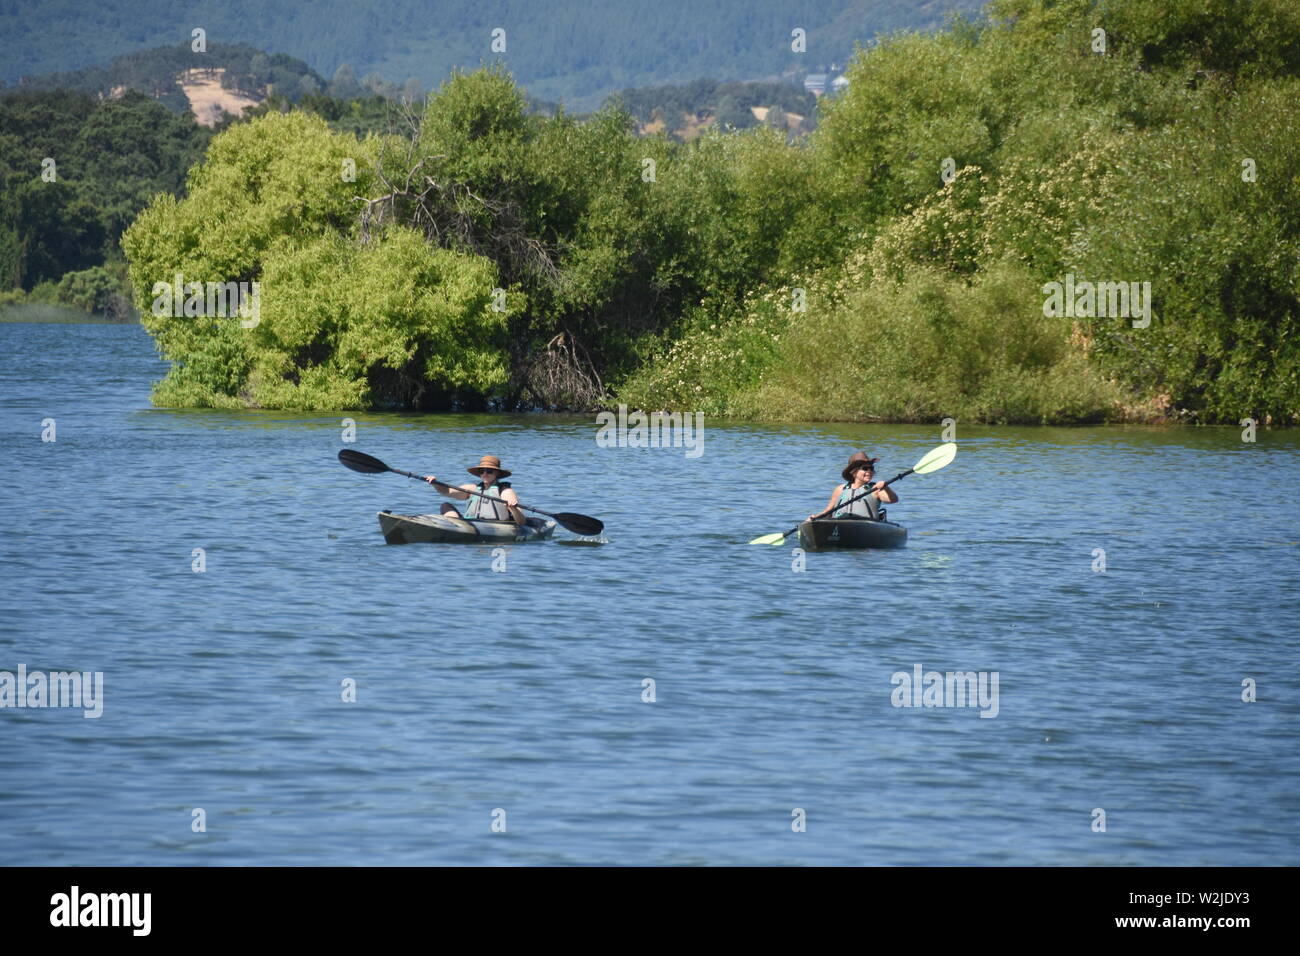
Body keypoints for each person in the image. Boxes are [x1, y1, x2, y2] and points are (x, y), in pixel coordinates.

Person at [424, 455, 525, 528]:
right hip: (470, 524)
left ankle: (454, 528)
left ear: (497, 473)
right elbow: (446, 491)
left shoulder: (505, 491)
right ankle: (453, 526)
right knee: (445, 505)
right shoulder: (472, 489)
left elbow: (521, 521)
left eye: (489, 471)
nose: (485, 474)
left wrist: (513, 509)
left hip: (495, 526)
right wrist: (435, 483)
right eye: (482, 471)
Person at [811, 451, 897, 522]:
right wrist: (814, 518)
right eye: (865, 468)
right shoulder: (840, 489)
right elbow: (828, 511)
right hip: (840, 523)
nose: (869, 471)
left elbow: (893, 500)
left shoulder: (875, 489)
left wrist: (886, 488)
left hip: (867, 526)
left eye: (871, 468)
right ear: (854, 471)